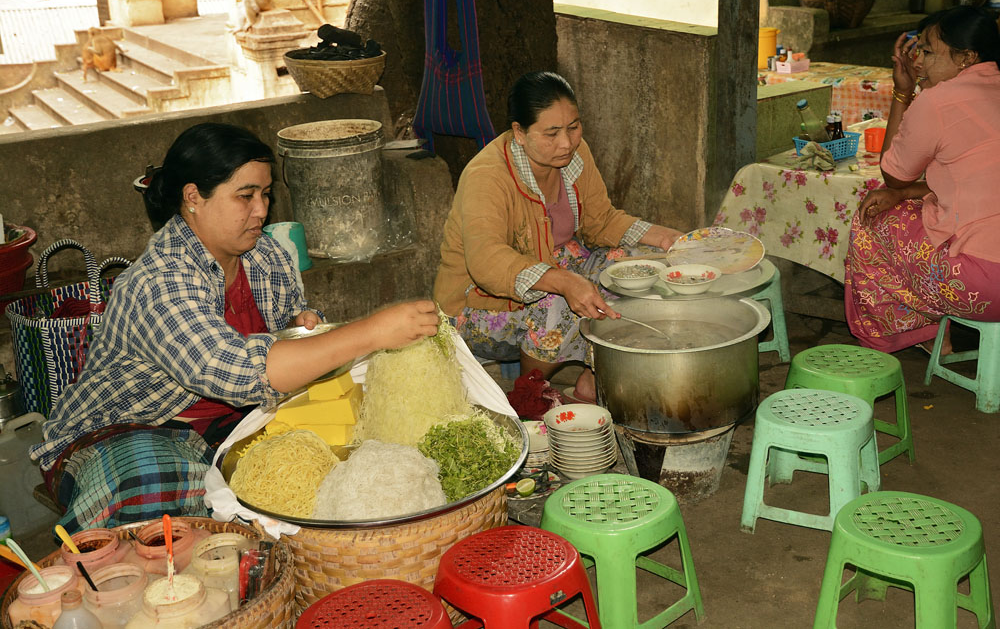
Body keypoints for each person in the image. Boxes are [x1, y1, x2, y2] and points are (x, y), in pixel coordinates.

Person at [30, 122, 439, 532]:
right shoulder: (157, 282)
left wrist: (301, 328)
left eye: (265, 194)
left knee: (335, 453)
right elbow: (242, 373)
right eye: (245, 196)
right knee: (153, 480)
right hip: (127, 432)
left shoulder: (267, 257)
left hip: (229, 426)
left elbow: (288, 329)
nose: (261, 210)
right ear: (193, 198)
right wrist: (372, 332)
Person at [434, 71, 682, 403]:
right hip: (476, 302)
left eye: (573, 127)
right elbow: (487, 261)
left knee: (639, 268)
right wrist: (562, 280)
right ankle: (528, 392)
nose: (566, 142)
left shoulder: (574, 157)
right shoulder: (488, 176)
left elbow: (601, 221)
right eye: (551, 133)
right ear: (519, 133)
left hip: (556, 264)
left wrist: (666, 239)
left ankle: (592, 380)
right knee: (558, 303)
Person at [845, 6, 1000, 353]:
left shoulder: (938, 101)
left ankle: (913, 332)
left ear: (966, 58)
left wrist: (904, 92)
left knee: (873, 216)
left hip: (984, 287)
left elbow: (894, 175)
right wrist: (906, 194)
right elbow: (975, 178)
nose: (919, 62)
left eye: (928, 52)